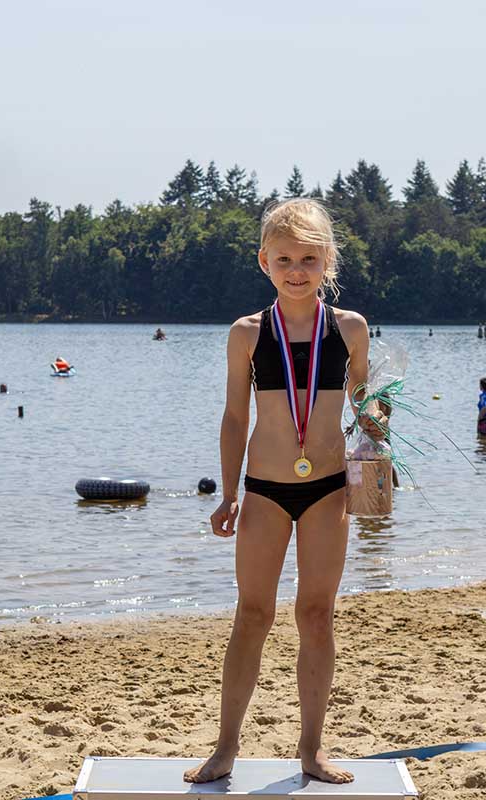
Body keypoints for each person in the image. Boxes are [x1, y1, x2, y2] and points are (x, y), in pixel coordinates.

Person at [184, 199, 386, 785]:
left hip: (327, 490)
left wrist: (378, 421)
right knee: (253, 614)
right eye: (285, 260)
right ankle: (226, 747)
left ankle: (312, 750)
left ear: (327, 262)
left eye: (309, 259)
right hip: (264, 491)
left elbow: (366, 408)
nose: (297, 271)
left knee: (316, 615)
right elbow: (234, 417)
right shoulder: (247, 333)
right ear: (264, 262)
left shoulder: (349, 329)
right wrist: (228, 493)